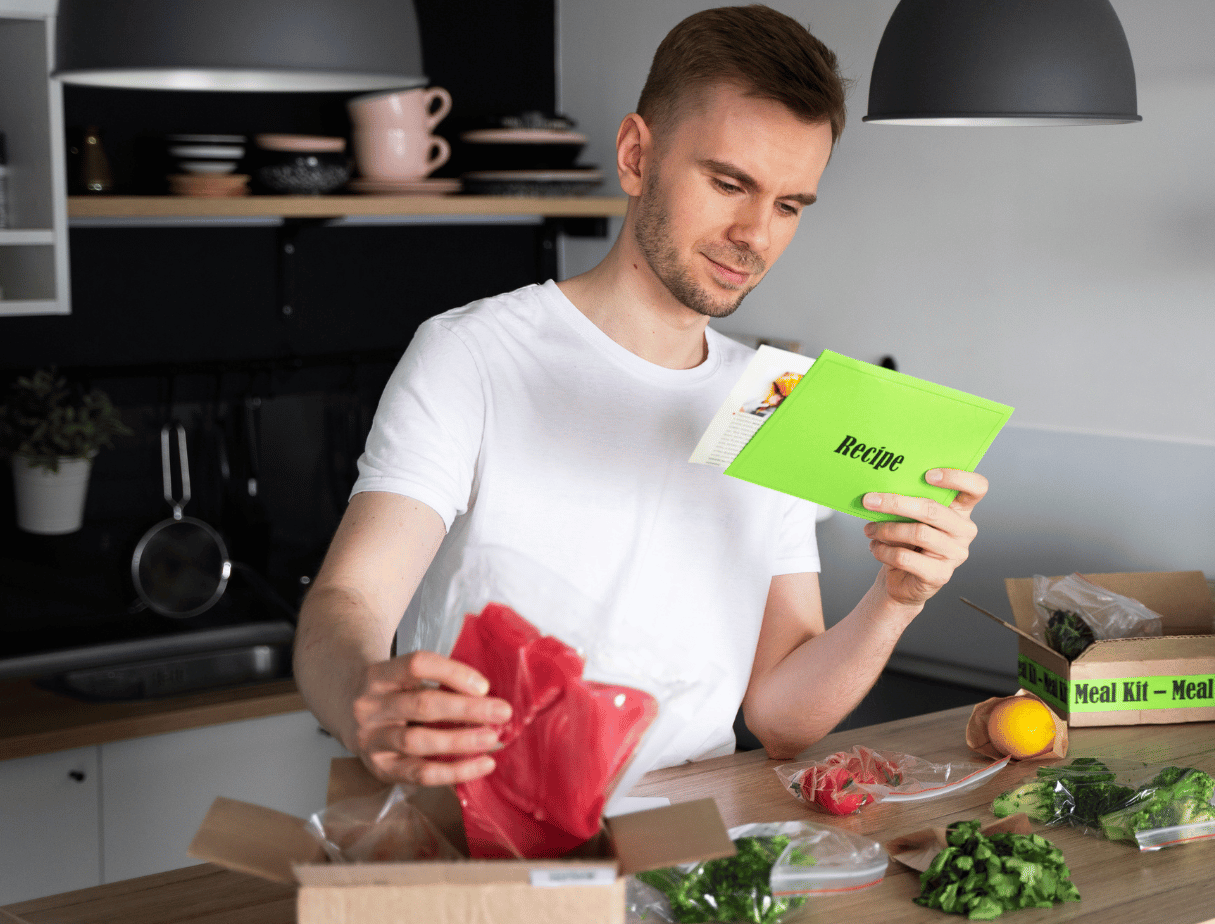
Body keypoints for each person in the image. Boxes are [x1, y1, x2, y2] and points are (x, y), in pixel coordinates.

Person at [293, 4, 988, 787]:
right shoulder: (475, 355)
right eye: (730, 182)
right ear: (635, 156)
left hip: (694, 853)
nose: (757, 234)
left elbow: (779, 715)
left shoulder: (774, 399)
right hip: (486, 838)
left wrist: (896, 600)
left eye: (789, 205)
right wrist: (362, 692)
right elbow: (348, 599)